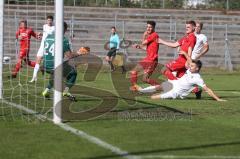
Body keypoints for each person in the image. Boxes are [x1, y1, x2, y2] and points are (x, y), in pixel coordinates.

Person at [139, 60, 226, 102]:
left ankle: (145, 93)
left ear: (197, 68)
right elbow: (187, 62)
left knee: (153, 98)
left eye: (192, 66)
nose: (189, 67)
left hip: (176, 92)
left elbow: (207, 89)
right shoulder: (189, 70)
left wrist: (218, 99)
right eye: (190, 65)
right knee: (159, 87)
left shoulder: (198, 78)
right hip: (175, 83)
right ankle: (141, 90)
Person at [41, 22, 79, 101]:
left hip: (45, 65)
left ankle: (46, 90)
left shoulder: (48, 36)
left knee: (56, 75)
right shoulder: (63, 39)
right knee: (73, 72)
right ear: (65, 29)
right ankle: (65, 91)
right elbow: (69, 55)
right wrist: (79, 53)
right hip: (54, 65)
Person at [130, 21, 159, 91]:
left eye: (150, 27)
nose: (148, 29)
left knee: (143, 77)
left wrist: (144, 35)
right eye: (147, 27)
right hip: (148, 59)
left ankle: (161, 87)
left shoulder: (154, 35)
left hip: (152, 60)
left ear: (154, 28)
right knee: (137, 74)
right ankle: (136, 86)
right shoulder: (151, 36)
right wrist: (139, 47)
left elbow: (143, 43)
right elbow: (147, 48)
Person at [30, 15, 55, 82]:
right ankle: (34, 77)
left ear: (52, 21)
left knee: (50, 62)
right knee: (38, 59)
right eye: (48, 20)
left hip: (49, 46)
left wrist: (42, 34)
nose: (49, 21)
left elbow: (49, 34)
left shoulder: (54, 28)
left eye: (50, 20)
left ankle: (51, 75)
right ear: (46, 21)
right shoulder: (44, 26)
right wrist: (40, 34)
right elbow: (45, 33)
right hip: (42, 45)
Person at [191, 21, 209, 99]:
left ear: (201, 28)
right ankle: (197, 90)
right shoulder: (190, 35)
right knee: (187, 77)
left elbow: (207, 48)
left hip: (193, 59)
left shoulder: (203, 36)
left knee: (189, 76)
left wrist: (198, 56)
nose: (196, 28)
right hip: (187, 57)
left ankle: (197, 90)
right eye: (196, 26)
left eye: (198, 26)